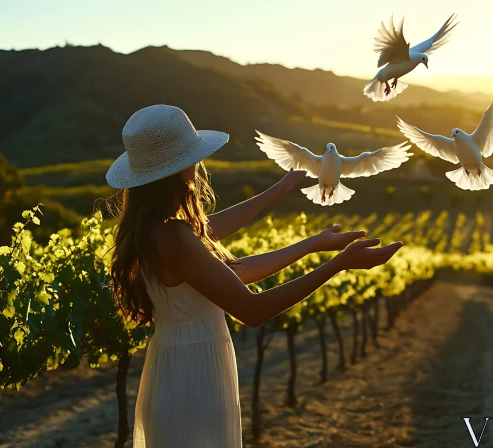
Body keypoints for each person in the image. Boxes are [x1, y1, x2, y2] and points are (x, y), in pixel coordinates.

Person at [105, 104, 403, 447]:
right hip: (193, 379)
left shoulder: (155, 229)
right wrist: (338, 264)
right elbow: (252, 310)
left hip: (181, 370)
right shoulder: (172, 236)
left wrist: (310, 241)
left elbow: (233, 272)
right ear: (181, 166)